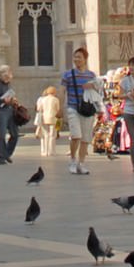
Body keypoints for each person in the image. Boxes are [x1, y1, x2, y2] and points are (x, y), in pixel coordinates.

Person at [60, 47, 101, 175]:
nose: (76, 59)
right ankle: (72, 160)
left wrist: (93, 86)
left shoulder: (91, 75)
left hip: (88, 109)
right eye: (75, 57)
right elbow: (62, 91)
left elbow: (98, 92)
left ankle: (81, 163)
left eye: (79, 57)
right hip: (73, 107)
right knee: (76, 135)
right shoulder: (68, 74)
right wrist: (60, 107)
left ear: (85, 59)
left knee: (86, 138)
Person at [34, 85, 61, 156]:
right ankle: (51, 151)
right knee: (52, 135)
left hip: (44, 118)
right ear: (54, 92)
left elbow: (39, 109)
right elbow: (58, 109)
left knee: (45, 135)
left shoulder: (43, 99)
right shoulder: (56, 99)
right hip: (53, 118)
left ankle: (45, 152)